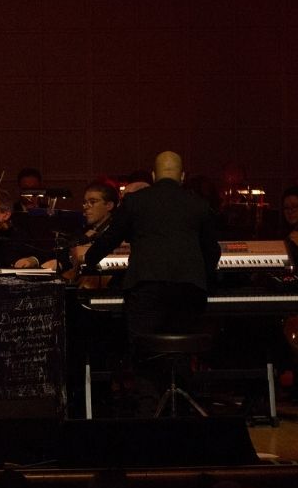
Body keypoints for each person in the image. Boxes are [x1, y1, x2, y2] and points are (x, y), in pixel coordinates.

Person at [83, 151, 221, 415]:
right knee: (181, 348)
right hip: (188, 289)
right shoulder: (199, 204)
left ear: (155, 176)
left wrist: (89, 261)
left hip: (146, 286)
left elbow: (110, 238)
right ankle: (180, 407)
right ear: (182, 176)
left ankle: (149, 409)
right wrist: (203, 276)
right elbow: (212, 252)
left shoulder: (136, 202)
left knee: (142, 348)